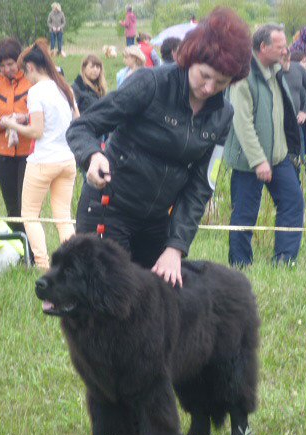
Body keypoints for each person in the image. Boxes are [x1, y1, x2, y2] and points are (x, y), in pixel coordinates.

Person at [67, 8, 251, 286]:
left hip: (156, 222)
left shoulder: (223, 116)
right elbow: (83, 127)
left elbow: (201, 185)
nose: (209, 87)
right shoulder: (149, 84)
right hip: (108, 209)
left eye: (221, 82)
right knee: (107, 306)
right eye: (205, 75)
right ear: (191, 58)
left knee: (153, 310)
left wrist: (175, 248)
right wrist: (92, 156)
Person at [225, 24, 303, 267]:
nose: (285, 50)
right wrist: (258, 160)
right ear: (263, 47)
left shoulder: (276, 70)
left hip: (279, 158)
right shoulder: (242, 78)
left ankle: (284, 260)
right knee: (244, 215)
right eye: (280, 47)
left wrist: (284, 64)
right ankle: (240, 264)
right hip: (249, 161)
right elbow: (242, 123)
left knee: (293, 201)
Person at [0, 41, 78, 270]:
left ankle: (43, 265)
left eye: (25, 72)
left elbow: (37, 131)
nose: (25, 77)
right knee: (63, 216)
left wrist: (10, 122)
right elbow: (75, 120)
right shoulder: (64, 88)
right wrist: (26, 119)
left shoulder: (35, 92)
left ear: (31, 67)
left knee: (30, 215)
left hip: (43, 161)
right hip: (67, 160)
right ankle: (71, 264)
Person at [0, 38, 33, 245]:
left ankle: (33, 249)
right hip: (2, 153)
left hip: (28, 152)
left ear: (18, 61)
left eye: (10, 64)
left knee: (26, 205)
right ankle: (18, 248)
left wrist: (23, 118)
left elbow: (41, 113)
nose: (6, 69)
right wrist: (2, 121)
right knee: (11, 206)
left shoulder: (31, 81)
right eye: (1, 65)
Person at [281, 50, 306, 199]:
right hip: (277, 124)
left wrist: (305, 111)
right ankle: (286, 191)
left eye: (286, 58)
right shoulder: (271, 71)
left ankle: (295, 191)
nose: (285, 62)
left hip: (296, 124)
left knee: (295, 158)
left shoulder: (298, 69)